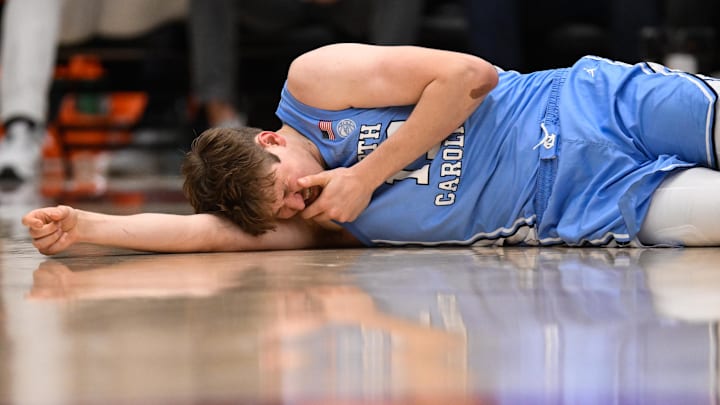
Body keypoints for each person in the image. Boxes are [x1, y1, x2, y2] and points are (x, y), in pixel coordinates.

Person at [21, 43, 720, 255]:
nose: (300, 202)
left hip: (588, 106)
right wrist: (88, 226)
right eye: (284, 210)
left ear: (271, 139)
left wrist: (368, 170)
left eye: (287, 184)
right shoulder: (322, 219)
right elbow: (203, 235)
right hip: (588, 205)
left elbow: (471, 76)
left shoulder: (315, 84)